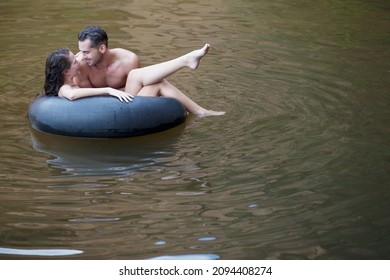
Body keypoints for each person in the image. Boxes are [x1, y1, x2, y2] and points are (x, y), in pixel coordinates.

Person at [74, 25, 224, 116]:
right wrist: (110, 91)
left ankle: (201, 112)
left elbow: (138, 91)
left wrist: (117, 92)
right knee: (153, 81)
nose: (81, 56)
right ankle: (185, 61)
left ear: (102, 48)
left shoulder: (128, 59)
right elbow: (87, 100)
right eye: (80, 51)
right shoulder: (80, 66)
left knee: (155, 82)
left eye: (86, 52)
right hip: (100, 111)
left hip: (127, 104)